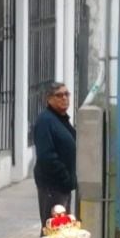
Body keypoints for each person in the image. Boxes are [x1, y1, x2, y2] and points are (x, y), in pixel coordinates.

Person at [32, 81, 77, 225]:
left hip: (62, 187)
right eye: (59, 95)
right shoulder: (45, 121)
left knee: (63, 228)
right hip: (52, 186)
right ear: (49, 99)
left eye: (66, 94)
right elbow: (46, 156)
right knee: (53, 228)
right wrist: (65, 177)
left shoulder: (61, 119)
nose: (64, 98)